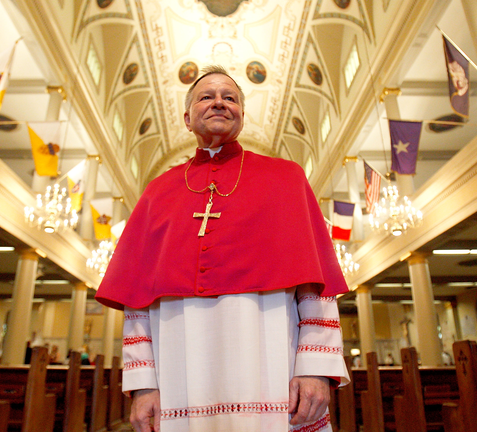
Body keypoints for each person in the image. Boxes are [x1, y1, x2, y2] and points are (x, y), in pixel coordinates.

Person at [95, 65, 350, 432]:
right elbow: (137, 302)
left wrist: (314, 369)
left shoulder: (287, 179)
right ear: (187, 117)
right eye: (206, 96)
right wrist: (143, 385)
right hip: (179, 373)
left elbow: (316, 285)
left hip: (271, 367)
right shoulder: (157, 192)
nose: (219, 103)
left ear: (242, 116)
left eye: (229, 97)